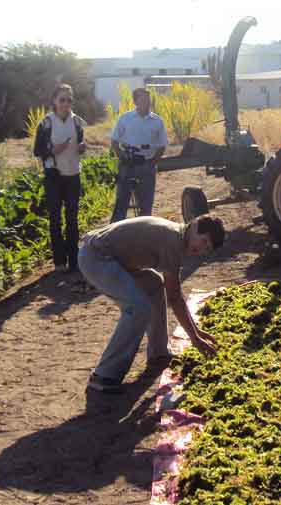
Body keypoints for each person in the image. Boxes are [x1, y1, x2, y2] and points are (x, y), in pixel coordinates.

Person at [78, 215, 225, 393]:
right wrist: (194, 338)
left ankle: (158, 353)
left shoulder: (177, 236)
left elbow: (172, 294)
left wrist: (196, 331)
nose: (200, 249)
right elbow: (174, 297)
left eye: (206, 248)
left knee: (154, 285)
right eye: (203, 241)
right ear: (193, 226)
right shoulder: (173, 241)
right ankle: (104, 376)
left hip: (113, 260)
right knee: (138, 307)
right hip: (97, 258)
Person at [33, 83, 87, 273]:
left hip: (73, 174)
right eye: (62, 99)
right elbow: (37, 150)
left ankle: (73, 260)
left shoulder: (77, 122)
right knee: (55, 219)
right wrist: (52, 151)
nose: (66, 103)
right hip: (54, 176)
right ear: (54, 101)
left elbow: (80, 142)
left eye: (69, 100)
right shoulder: (46, 123)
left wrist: (81, 147)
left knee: (72, 219)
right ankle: (59, 262)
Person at [110, 87, 168, 222]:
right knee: (121, 204)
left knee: (146, 205)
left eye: (148, 99)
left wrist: (152, 163)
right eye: (143, 99)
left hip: (147, 165)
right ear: (135, 101)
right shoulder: (125, 118)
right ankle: (114, 235)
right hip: (127, 165)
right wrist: (122, 156)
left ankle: (144, 235)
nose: (147, 102)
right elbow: (114, 141)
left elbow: (162, 145)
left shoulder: (157, 121)